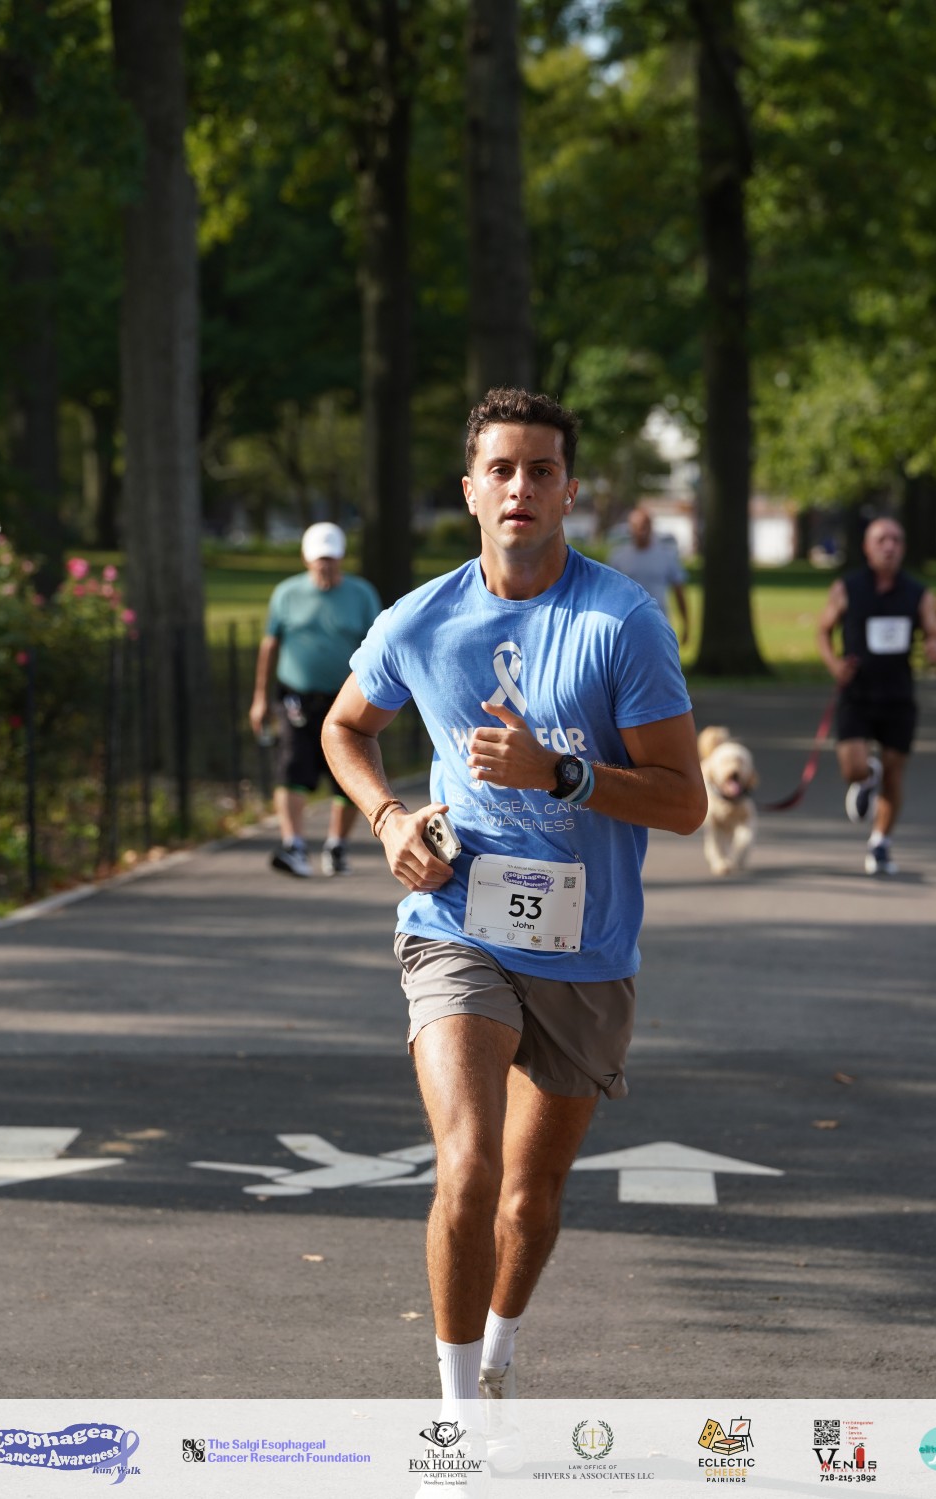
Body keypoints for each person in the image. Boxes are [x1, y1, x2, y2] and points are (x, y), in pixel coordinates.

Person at [322, 389, 706, 1424]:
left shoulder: (620, 621)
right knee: (469, 1163)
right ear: (470, 489)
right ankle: (455, 1420)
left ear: (569, 491)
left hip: (586, 943)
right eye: (501, 469)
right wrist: (388, 817)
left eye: (541, 470)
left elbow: (685, 801)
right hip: (456, 924)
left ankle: (497, 1358)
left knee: (529, 1202)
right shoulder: (420, 618)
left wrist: (563, 774)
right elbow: (345, 727)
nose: (520, 488)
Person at [250, 521, 381, 878]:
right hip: (296, 695)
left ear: (341, 559)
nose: (326, 567)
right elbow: (270, 645)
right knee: (292, 764)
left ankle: (337, 845)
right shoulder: (287, 594)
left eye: (331, 559)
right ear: (307, 560)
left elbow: (378, 646)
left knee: (350, 769)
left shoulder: (361, 595)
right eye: (320, 560)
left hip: (346, 697)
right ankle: (293, 844)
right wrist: (260, 698)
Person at [816, 516, 936, 876]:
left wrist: (935, 646)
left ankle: (880, 843)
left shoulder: (918, 593)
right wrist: (835, 665)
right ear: (867, 547)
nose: (889, 546)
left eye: (896, 540)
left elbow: (934, 633)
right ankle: (865, 777)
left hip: (898, 696)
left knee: (894, 773)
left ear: (903, 547)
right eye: (881, 540)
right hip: (856, 693)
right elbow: (823, 631)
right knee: (853, 768)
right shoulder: (847, 588)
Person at [607, 500, 690, 644]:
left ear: (651, 526)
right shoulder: (618, 558)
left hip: (659, 625)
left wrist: (686, 624)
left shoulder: (666, 555)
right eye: (636, 526)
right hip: (627, 627)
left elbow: (679, 591)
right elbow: (609, 594)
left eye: (645, 525)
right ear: (630, 528)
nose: (641, 530)